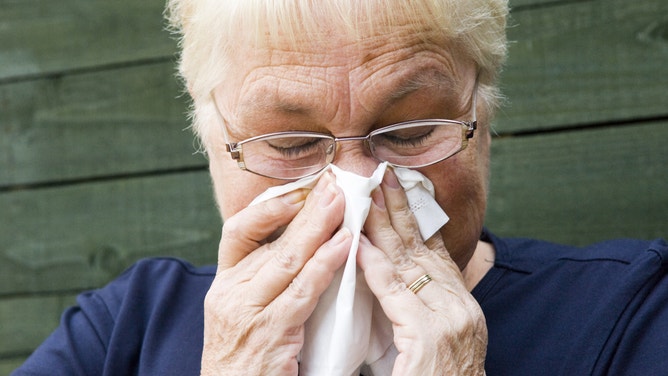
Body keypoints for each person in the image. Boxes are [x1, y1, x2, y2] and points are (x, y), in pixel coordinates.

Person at [12, 0, 668, 375]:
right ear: (213, 144)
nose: (355, 187)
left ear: (482, 120)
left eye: (410, 132)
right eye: (293, 144)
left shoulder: (629, 318)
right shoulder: (122, 335)